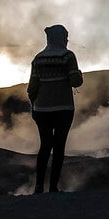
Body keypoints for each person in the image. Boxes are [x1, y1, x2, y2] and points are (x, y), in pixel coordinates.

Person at [28, 24, 83, 194]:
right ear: (60, 38)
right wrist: (78, 73)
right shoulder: (68, 56)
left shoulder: (38, 58)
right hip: (63, 109)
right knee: (59, 147)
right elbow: (76, 82)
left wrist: (34, 107)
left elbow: (32, 87)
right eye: (65, 37)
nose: (67, 40)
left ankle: (38, 186)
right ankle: (53, 187)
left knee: (45, 146)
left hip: (42, 109)